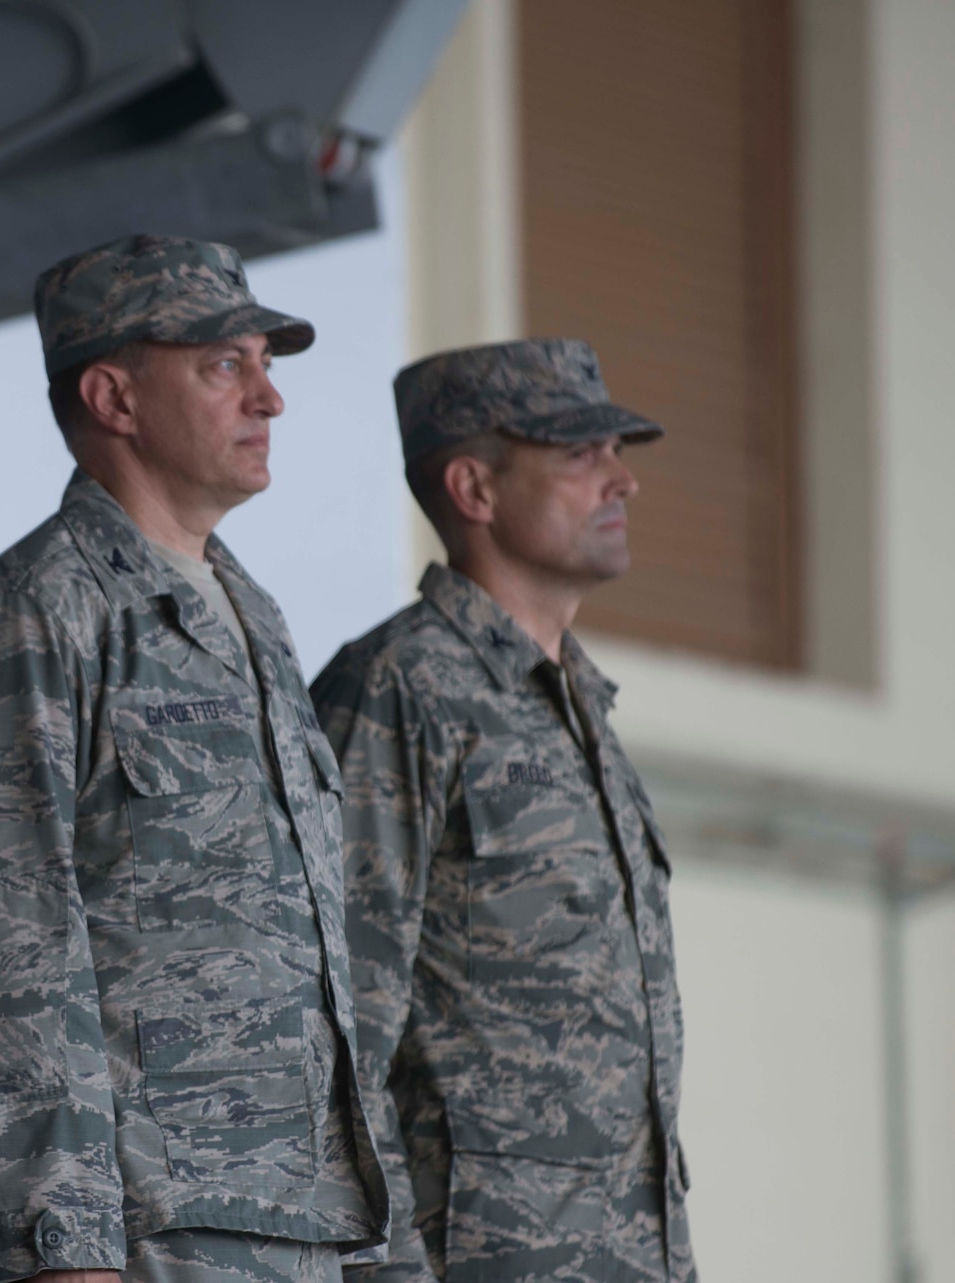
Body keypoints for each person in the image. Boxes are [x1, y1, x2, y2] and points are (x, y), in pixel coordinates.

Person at [0, 234, 388, 1283]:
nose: (267, 399)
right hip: (148, 1233)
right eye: (223, 365)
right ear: (114, 397)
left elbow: (321, 961)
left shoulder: (257, 618)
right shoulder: (43, 608)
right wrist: (62, 1243)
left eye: (265, 366)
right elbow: (6, 935)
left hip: (305, 1226)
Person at [309, 340, 693, 1282]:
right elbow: (336, 1031)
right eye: (578, 455)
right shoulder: (401, 686)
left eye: (617, 453)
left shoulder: (581, 706)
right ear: (474, 490)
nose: (622, 483)